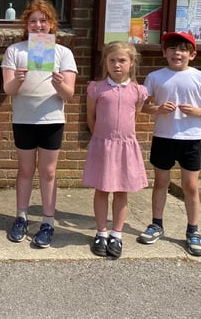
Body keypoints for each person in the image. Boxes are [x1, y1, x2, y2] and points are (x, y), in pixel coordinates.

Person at [138, 31, 201, 257]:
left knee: (191, 186)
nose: (178, 53)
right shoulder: (155, 77)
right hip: (164, 137)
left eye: (183, 49)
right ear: (164, 53)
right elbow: (143, 106)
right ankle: (156, 224)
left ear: (192, 54)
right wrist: (158, 109)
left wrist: (197, 111)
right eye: (173, 48)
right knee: (160, 183)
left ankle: (193, 230)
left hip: (191, 139)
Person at [2, 0, 77, 248]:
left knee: (48, 172)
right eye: (33, 21)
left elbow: (68, 94)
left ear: (51, 23)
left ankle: (48, 221)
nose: (38, 25)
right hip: (24, 119)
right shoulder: (16, 50)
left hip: (51, 119)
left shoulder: (62, 52)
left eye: (43, 20)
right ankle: (21, 216)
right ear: (26, 24)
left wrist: (59, 84)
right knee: (25, 170)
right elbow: (9, 89)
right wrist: (19, 79)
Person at [83, 41, 148, 258]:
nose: (117, 65)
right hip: (103, 145)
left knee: (121, 191)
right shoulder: (96, 88)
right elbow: (91, 117)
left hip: (125, 147)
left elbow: (135, 116)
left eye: (122, 60)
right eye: (112, 60)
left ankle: (117, 234)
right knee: (101, 190)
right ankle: (101, 232)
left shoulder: (138, 91)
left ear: (131, 63)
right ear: (105, 63)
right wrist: (102, 138)